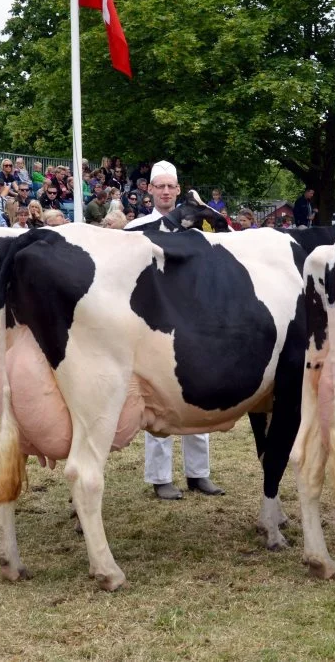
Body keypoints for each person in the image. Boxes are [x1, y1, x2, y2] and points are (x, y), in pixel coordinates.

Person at [124, 161, 223, 499]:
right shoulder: (135, 228)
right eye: (159, 186)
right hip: (156, 321)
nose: (166, 191)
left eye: (171, 186)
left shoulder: (197, 228)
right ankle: (160, 477)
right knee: (159, 398)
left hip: (195, 317)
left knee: (200, 393)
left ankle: (199, 473)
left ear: (179, 189)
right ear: (150, 190)